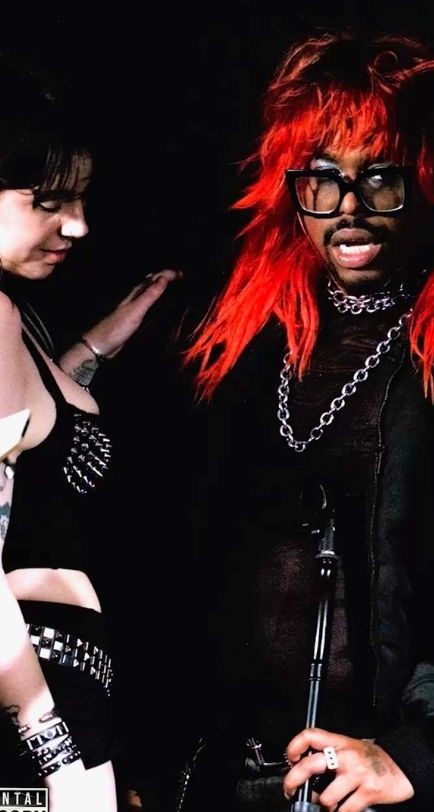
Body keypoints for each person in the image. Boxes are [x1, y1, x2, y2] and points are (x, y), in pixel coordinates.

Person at [165, 30, 434, 812]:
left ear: (429, 179)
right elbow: (175, 555)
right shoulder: (243, 340)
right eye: (322, 181)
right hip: (225, 772)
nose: (349, 209)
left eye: (380, 178)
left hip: (383, 781)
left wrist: (423, 748)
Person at [0, 55, 178, 810]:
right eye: (47, 201)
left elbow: (29, 442)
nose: (77, 224)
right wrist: (58, 749)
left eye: (79, 198)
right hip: (33, 723)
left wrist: (96, 346)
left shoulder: (15, 318)